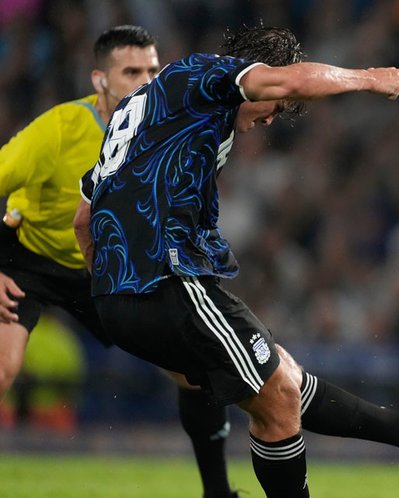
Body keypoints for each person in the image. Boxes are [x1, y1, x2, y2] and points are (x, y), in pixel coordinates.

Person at [72, 25, 399, 498]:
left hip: (117, 295)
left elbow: (83, 219)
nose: (273, 117)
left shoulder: (139, 113)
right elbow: (288, 81)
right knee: (277, 401)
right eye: (275, 106)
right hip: (163, 280)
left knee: (283, 377)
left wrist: (112, 294)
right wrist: (369, 78)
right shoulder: (201, 75)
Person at [0, 25, 242, 498]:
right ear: (100, 80)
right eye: (131, 72)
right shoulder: (58, 130)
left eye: (152, 70)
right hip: (30, 257)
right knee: (3, 368)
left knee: (195, 372)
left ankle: (218, 492)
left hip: (104, 268)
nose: (146, 81)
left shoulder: (165, 132)